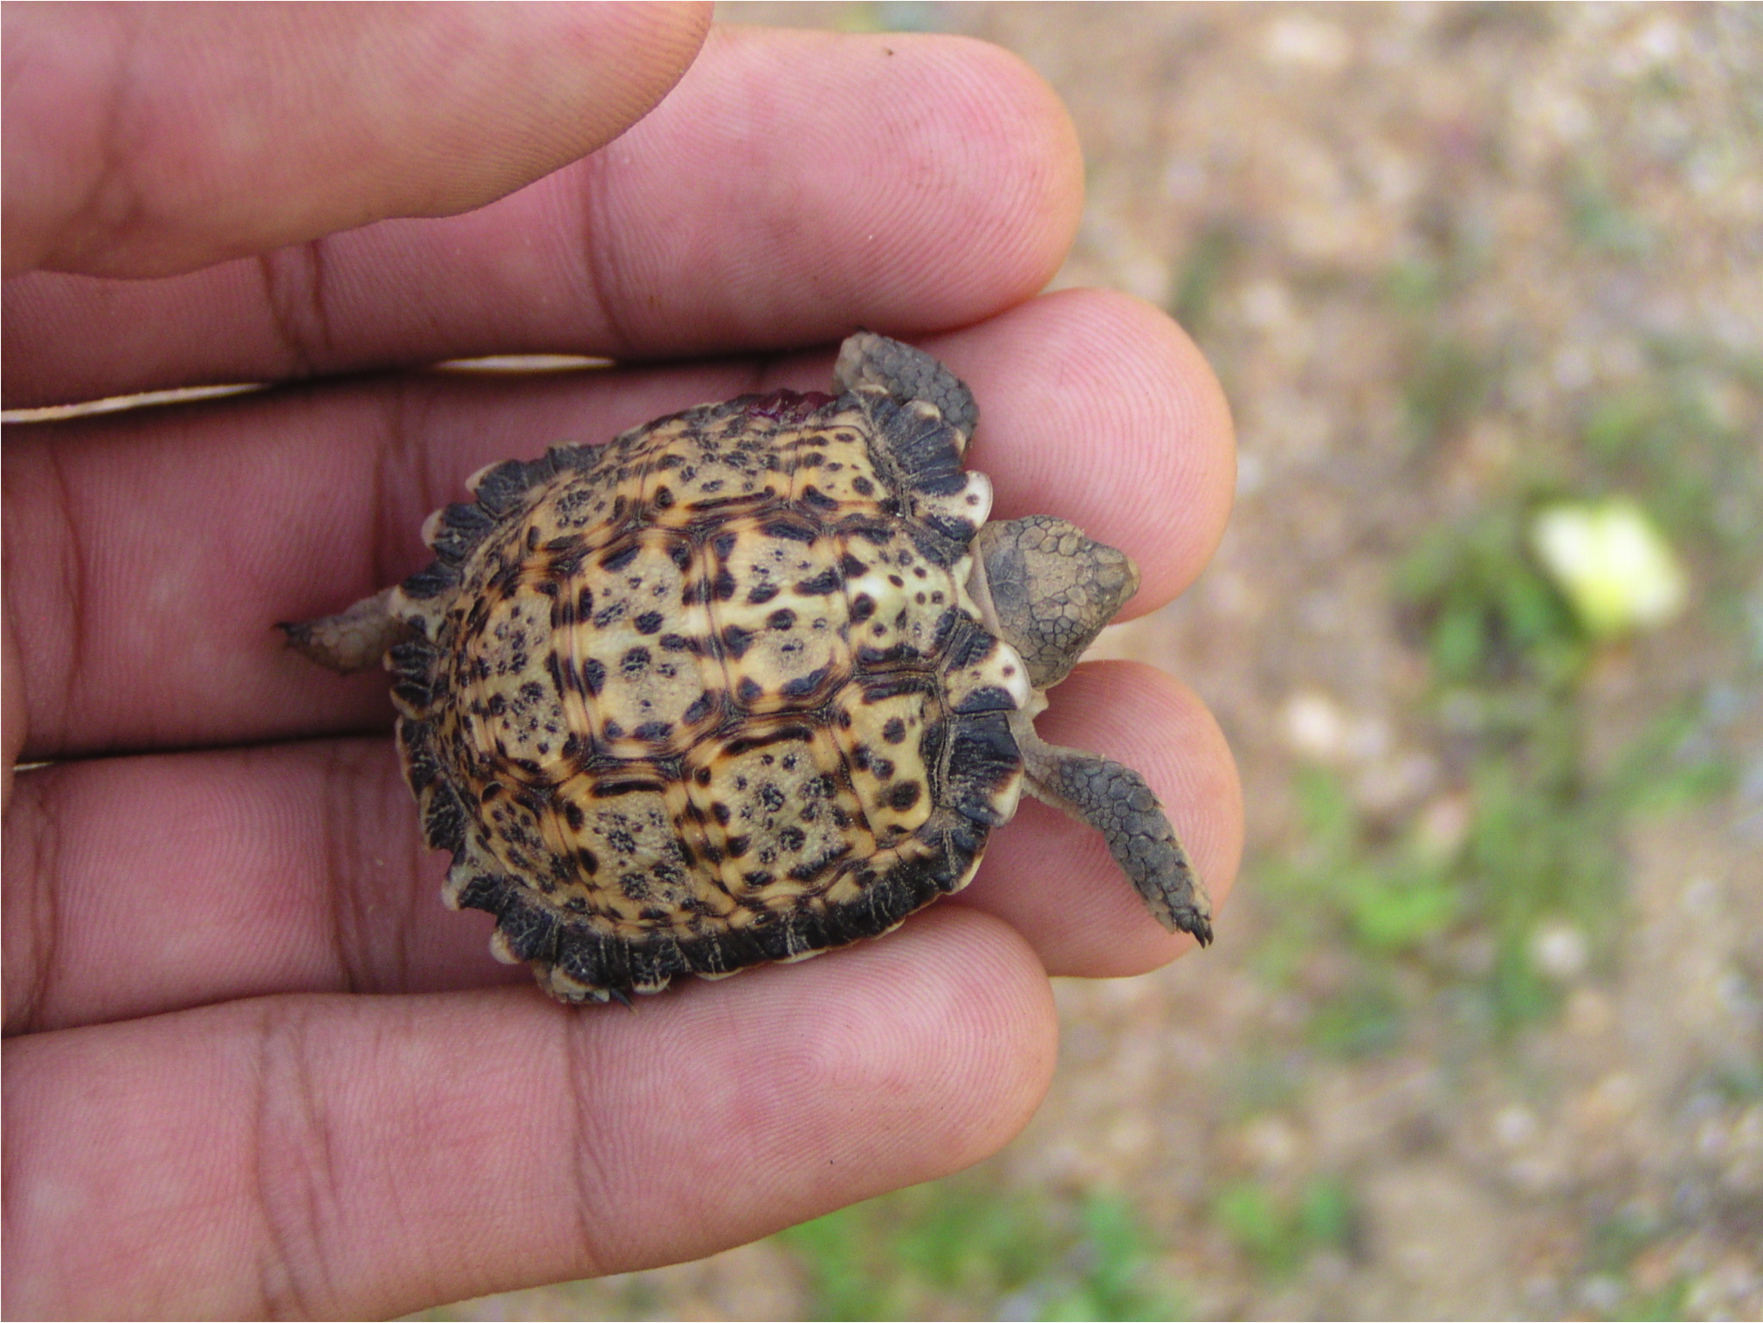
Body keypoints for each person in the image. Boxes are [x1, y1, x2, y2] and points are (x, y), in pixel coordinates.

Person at [0, 3, 1240, 1317]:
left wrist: (881, 359)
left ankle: (393, 624)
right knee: (643, 981)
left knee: (469, 589)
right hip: (600, 842)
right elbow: (1111, 793)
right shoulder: (988, 756)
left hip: (534, 615)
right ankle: (566, 925)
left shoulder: (902, 471)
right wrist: (1170, 890)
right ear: (1045, 645)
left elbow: (877, 369)